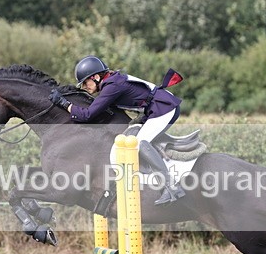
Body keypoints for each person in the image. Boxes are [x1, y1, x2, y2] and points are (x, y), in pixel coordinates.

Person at [48, 55, 186, 205]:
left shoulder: (112, 86)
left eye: (85, 82)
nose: (84, 87)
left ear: (95, 77)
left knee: (138, 143)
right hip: (154, 109)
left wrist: (64, 104)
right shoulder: (111, 82)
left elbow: (87, 115)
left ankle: (172, 186)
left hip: (164, 108)